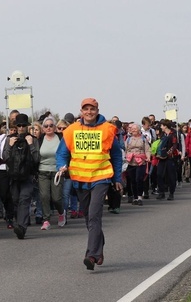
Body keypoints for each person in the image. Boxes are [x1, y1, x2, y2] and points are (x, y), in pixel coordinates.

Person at [56, 98, 123, 270]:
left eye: (92, 109)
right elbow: (62, 153)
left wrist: (116, 179)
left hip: (101, 178)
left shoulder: (107, 129)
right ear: (81, 111)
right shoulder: (72, 130)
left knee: (94, 215)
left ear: (97, 110)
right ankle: (99, 248)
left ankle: (91, 255)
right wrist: (61, 166)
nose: (89, 112)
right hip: (80, 180)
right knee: (88, 217)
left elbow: (116, 155)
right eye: (86, 109)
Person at [2, 113, 41, 239]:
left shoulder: (33, 140)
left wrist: (30, 145)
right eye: (19, 125)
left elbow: (36, 159)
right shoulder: (10, 139)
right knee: (15, 201)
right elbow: (5, 157)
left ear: (27, 126)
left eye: (23, 125)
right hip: (13, 176)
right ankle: (20, 222)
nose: (21, 128)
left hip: (28, 175)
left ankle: (21, 227)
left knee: (24, 200)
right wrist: (10, 146)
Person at [38, 116, 66, 230]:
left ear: (55, 127)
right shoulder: (40, 140)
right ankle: (46, 220)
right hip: (42, 171)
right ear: (43, 128)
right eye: (46, 126)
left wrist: (64, 166)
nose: (48, 128)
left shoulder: (60, 138)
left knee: (56, 198)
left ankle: (61, 213)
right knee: (44, 196)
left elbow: (66, 153)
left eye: (51, 125)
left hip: (57, 171)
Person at [125, 123, 151, 206]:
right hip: (131, 161)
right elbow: (125, 149)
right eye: (132, 129)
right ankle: (135, 197)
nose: (133, 130)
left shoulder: (143, 139)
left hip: (141, 162)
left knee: (139, 179)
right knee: (132, 180)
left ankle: (139, 196)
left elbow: (147, 149)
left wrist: (148, 157)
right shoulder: (128, 139)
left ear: (139, 130)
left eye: (135, 129)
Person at [156, 119, 179, 200]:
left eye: (162, 125)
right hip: (161, 158)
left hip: (170, 158)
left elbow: (174, 145)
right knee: (159, 174)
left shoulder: (173, 134)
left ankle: (171, 193)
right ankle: (161, 192)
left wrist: (168, 154)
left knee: (171, 176)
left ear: (165, 126)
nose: (161, 127)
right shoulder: (162, 135)